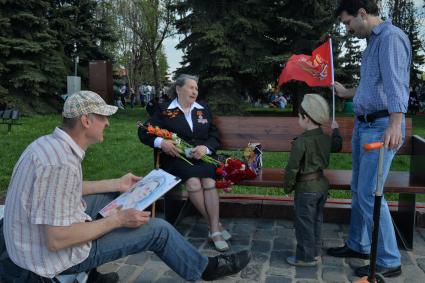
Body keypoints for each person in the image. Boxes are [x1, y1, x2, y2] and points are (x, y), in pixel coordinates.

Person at [1, 90, 250, 283]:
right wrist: (118, 220)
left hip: (26, 243)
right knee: (158, 230)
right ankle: (204, 268)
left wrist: (116, 183)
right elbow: (56, 240)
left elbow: (63, 190)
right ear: (86, 120)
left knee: (112, 194)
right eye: (103, 118)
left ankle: (91, 276)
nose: (107, 124)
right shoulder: (61, 164)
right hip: (49, 258)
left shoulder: (47, 145)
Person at [327, 0, 411, 278]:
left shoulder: (390, 38)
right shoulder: (372, 44)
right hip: (365, 126)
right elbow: (372, 87)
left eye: (348, 22)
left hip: (382, 126)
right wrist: (346, 92)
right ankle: (358, 244)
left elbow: (397, 83)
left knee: (369, 194)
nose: (347, 28)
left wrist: (396, 124)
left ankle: (388, 260)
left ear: (362, 14)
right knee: (359, 190)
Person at [138, 74, 231, 252]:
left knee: (209, 181)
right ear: (179, 89)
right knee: (194, 181)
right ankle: (215, 228)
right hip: (176, 159)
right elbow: (144, 131)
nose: (195, 91)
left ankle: (214, 227)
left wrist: (206, 148)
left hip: (201, 157)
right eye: (191, 87)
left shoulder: (202, 108)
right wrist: (162, 143)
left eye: (196, 88)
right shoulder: (165, 109)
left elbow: (214, 135)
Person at [284, 94, 342, 267]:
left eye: (299, 116)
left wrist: (288, 187)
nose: (298, 119)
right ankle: (315, 252)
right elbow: (337, 145)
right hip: (321, 187)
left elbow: (292, 168)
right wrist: (336, 130)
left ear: (306, 118)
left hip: (306, 189)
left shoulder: (301, 142)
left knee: (304, 224)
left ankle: (305, 257)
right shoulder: (325, 138)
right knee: (316, 220)